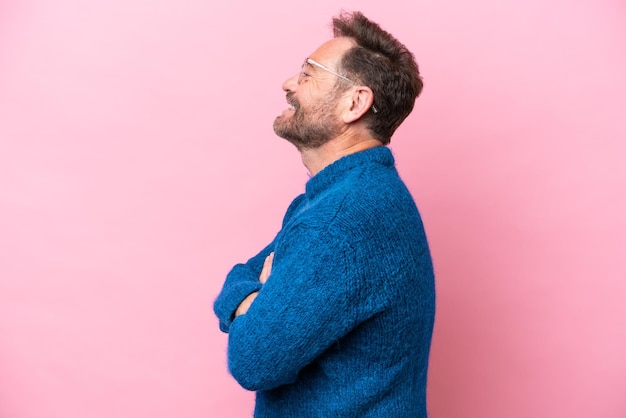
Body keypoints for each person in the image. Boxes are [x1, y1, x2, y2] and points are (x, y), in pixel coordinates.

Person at [213, 10, 435, 417]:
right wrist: (254, 299)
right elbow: (244, 272)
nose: (288, 84)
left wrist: (250, 305)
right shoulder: (345, 198)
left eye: (308, 73)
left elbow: (252, 359)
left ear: (354, 103)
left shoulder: (342, 220)